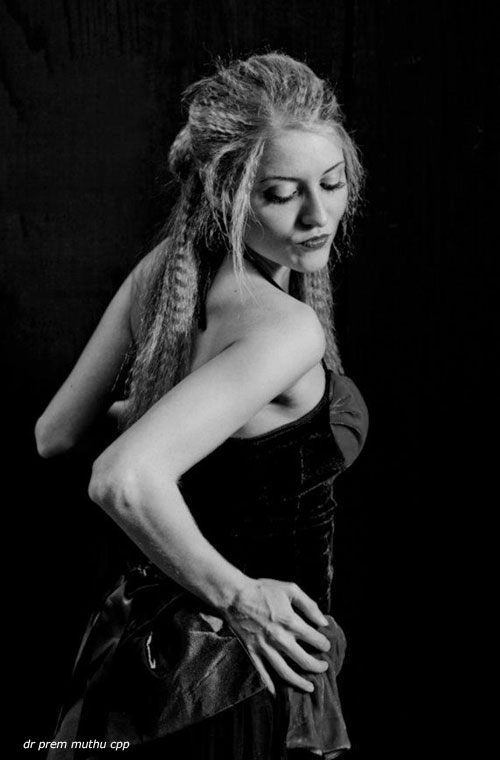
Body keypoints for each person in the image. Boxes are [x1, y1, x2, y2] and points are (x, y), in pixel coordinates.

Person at [35, 52, 368, 760]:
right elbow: (120, 477)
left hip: (145, 653)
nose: (317, 216)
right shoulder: (287, 329)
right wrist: (239, 596)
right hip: (237, 678)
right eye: (282, 194)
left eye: (332, 183)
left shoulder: (166, 270)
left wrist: (168, 417)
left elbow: (55, 433)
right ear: (226, 192)